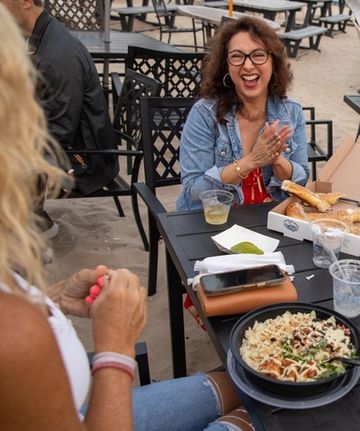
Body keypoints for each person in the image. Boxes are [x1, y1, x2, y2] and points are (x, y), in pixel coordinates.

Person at [0, 5, 253, 430]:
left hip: (73, 396)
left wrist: (52, 297)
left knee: (248, 383)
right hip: (89, 408)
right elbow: (194, 189)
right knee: (255, 418)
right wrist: (115, 348)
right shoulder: (18, 340)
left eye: (259, 56)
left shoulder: (287, 112)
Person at [1, 0, 119, 237]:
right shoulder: (37, 35)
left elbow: (59, 131)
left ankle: (34, 224)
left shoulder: (58, 54)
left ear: (25, 2)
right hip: (64, 144)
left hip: (83, 161)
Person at [178, 17, 309, 210]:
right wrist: (251, 161)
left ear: (273, 61)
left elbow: (301, 183)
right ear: (226, 65)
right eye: (237, 56)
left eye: (258, 55)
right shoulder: (204, 114)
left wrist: (276, 160)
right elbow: (194, 191)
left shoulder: (291, 112)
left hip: (270, 221)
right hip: (212, 222)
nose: (248, 66)